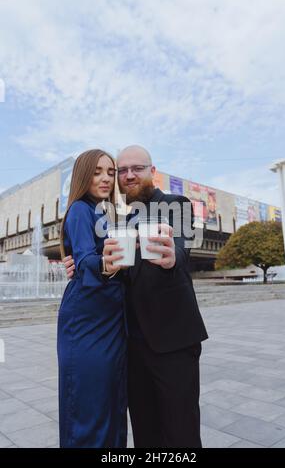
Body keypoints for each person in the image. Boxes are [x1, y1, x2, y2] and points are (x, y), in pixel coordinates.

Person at [64, 145, 208, 448]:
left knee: (181, 433)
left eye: (137, 169)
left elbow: (181, 249)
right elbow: (110, 267)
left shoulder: (176, 203)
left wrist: (172, 258)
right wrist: (82, 265)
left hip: (173, 343)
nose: (129, 175)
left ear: (152, 172)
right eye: (123, 170)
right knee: (145, 434)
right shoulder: (116, 219)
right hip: (130, 345)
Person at [58, 149, 127, 448]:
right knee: (89, 408)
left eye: (110, 172)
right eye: (98, 171)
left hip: (112, 321)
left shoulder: (107, 214)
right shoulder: (79, 210)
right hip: (87, 322)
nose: (105, 178)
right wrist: (104, 264)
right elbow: (86, 258)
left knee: (112, 404)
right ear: (83, 175)